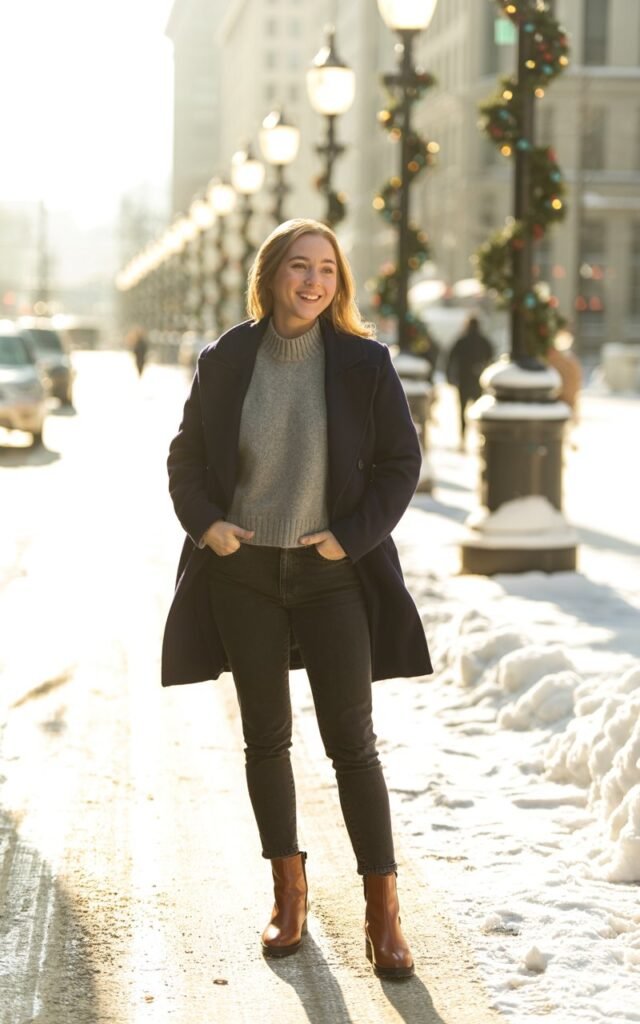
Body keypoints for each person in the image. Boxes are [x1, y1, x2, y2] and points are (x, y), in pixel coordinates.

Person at [162, 219, 432, 978]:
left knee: (353, 742)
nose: (313, 282)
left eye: (326, 269)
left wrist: (352, 537)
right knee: (266, 737)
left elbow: (399, 463)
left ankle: (384, 912)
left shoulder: (364, 363)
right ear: (271, 274)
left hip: (331, 574)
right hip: (244, 573)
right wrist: (208, 525)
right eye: (298, 267)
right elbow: (185, 456)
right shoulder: (227, 357)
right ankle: (289, 892)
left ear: (338, 282)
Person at [445, 315, 493, 449]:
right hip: (478, 380)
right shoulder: (483, 341)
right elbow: (491, 357)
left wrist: (450, 376)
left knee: (462, 410)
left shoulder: (462, 340)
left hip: (463, 380)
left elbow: (450, 358)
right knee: (479, 411)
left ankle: (463, 438)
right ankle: (479, 437)